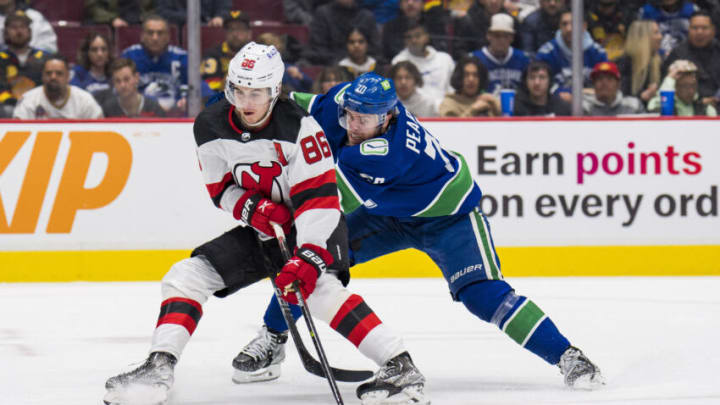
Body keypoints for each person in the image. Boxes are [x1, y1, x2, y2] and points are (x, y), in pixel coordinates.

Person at [241, 72, 605, 402]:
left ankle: (569, 357)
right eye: (350, 115)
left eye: (363, 120)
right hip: (389, 209)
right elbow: (300, 104)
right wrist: (250, 105)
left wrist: (265, 203)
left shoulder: (384, 154)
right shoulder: (347, 102)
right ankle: (273, 338)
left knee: (483, 296)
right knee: (311, 259)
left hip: (448, 216)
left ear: (388, 117)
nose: (352, 125)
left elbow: (328, 202)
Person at [102, 42, 429, 405]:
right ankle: (158, 365)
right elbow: (220, 188)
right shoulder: (210, 125)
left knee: (319, 293)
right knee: (187, 275)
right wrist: (250, 207)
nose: (246, 102)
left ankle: (400, 365)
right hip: (264, 229)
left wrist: (308, 257)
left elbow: (318, 202)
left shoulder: (301, 128)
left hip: (316, 226)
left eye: (256, 92)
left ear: (274, 91)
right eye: (240, 91)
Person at [121, 14, 188, 113]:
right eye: (150, 33)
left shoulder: (182, 57)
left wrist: (187, 100)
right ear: (142, 36)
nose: (155, 38)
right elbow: (118, 89)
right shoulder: (129, 56)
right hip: (138, 117)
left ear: (168, 36)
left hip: (175, 117)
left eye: (160, 33)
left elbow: (198, 89)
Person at [536, 10, 608, 98]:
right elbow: (541, 86)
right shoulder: (546, 53)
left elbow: (606, 85)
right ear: (559, 26)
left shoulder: (598, 52)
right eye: (564, 24)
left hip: (592, 102)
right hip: (558, 103)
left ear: (584, 26)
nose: (569, 29)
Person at [13, 56, 104, 119]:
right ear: (42, 76)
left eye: (59, 73)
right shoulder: (29, 100)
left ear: (68, 76)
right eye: (48, 73)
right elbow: (16, 132)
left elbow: (100, 128)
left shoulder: (84, 100)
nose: (53, 77)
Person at [662, 11, 720, 101]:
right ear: (688, 29)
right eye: (695, 28)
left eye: (704, 28)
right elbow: (667, 84)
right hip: (688, 106)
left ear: (713, 31)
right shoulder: (678, 53)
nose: (699, 32)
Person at [391, 21, 455, 100]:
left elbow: (453, 89)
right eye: (409, 37)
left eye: (418, 36)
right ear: (404, 41)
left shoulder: (445, 59)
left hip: (446, 107)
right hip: (414, 109)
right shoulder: (399, 61)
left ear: (427, 37)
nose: (413, 40)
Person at [304, 0, 380, 65]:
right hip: (332, 68)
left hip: (363, 67)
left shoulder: (366, 16)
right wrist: (343, 62)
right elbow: (318, 49)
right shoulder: (323, 14)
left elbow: (375, 49)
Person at [470, 13, 530, 93]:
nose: (501, 40)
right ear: (488, 35)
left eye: (506, 36)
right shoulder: (475, 59)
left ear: (512, 37)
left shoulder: (523, 59)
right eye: (497, 35)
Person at [0, 10, 51, 99]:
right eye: (14, 27)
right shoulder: (1, 58)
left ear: (29, 31)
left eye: (23, 27)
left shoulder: (45, 58)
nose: (19, 31)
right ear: (6, 32)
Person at [201, 10, 252, 92]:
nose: (235, 34)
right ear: (225, 33)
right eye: (231, 29)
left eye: (240, 29)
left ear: (249, 33)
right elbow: (209, 90)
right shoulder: (213, 55)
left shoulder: (257, 54)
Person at [381, 0, 449, 62]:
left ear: (423, 4)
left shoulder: (434, 23)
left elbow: (440, 46)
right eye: (405, 0)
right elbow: (387, 53)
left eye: (415, 0)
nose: (410, 3)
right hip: (401, 64)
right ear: (400, 5)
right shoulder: (390, 26)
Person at [615, 20, 663, 106]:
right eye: (656, 33)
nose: (660, 36)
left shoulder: (658, 62)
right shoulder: (624, 63)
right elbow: (619, 99)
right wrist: (642, 97)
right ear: (643, 37)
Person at [648, 59, 718, 116]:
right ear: (674, 87)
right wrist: (670, 78)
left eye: (693, 86)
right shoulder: (657, 104)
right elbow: (662, 105)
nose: (691, 91)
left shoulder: (706, 109)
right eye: (685, 86)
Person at [101, 58, 166, 118]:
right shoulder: (107, 110)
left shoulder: (153, 108)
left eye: (126, 79)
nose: (122, 85)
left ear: (136, 78)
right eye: (118, 81)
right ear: (113, 83)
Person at [452, 0, 517, 59]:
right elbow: (459, 51)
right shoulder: (468, 21)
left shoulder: (513, 21)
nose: (493, 1)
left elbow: (519, 49)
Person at [70, 32, 113, 98]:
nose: (100, 54)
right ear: (87, 53)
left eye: (103, 49)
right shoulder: (78, 74)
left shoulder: (115, 74)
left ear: (109, 52)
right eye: (94, 50)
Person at [155, 0, 230, 29]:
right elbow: (162, 12)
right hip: (178, 31)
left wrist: (220, 16)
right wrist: (192, 18)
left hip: (209, 29)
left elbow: (224, 7)